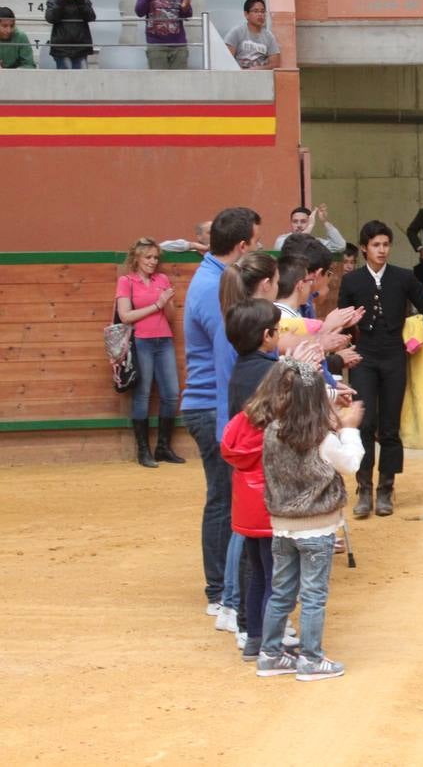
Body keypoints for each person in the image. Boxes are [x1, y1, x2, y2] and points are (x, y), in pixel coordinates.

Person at [254, 357, 365, 682]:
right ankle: (311, 659)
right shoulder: (322, 438)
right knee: (314, 594)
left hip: (283, 525)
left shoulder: (272, 432)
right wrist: (349, 430)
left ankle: (271, 654)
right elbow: (351, 464)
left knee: (281, 591)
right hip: (317, 527)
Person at [181, 207, 261, 619]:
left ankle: (221, 587)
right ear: (242, 246)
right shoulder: (214, 287)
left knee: (224, 498)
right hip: (213, 404)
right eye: (257, 242)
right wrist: (238, 421)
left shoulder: (215, 279)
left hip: (211, 403)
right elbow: (226, 357)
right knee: (224, 499)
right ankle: (219, 590)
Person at [339, 220, 423, 517]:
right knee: (365, 424)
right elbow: (341, 323)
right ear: (364, 249)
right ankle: (364, 489)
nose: (382, 250)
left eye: (385, 245)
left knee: (390, 427)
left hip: (395, 356)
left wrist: (413, 338)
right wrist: (347, 344)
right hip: (363, 358)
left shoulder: (403, 278)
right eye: (376, 245)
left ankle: (386, 487)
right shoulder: (352, 281)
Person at [219, 298, 282, 663]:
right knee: (277, 571)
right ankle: (272, 643)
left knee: (258, 568)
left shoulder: (240, 370)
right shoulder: (269, 373)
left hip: (246, 486)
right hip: (271, 486)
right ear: (266, 336)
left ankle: (254, 636)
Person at [115, 237, 185, 468]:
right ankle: (143, 450)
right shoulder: (126, 281)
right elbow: (125, 316)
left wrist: (166, 303)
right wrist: (157, 304)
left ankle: (163, 447)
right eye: (148, 257)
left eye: (156, 257)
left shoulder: (162, 279)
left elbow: (172, 317)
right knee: (142, 395)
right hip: (142, 342)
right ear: (137, 258)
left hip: (163, 340)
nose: (153, 261)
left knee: (172, 394)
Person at [45, 0, 96, 70]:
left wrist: (79, 1)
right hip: (61, 50)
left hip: (80, 50)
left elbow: (91, 17)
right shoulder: (53, 2)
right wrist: (62, 1)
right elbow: (51, 18)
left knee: (82, 80)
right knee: (65, 80)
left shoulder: (84, 2)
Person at [224, 0, 281, 70]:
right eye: (256, 11)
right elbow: (227, 59)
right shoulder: (236, 32)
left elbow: (275, 64)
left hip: (261, 77)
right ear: (246, 14)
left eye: (262, 11)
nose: (260, 14)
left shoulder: (269, 36)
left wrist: (257, 69)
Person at [273, 204, 347, 254]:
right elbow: (294, 247)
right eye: (295, 221)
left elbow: (340, 246)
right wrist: (309, 228)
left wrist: (325, 221)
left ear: (310, 222)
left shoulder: (316, 242)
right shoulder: (282, 239)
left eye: (303, 221)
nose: (299, 225)